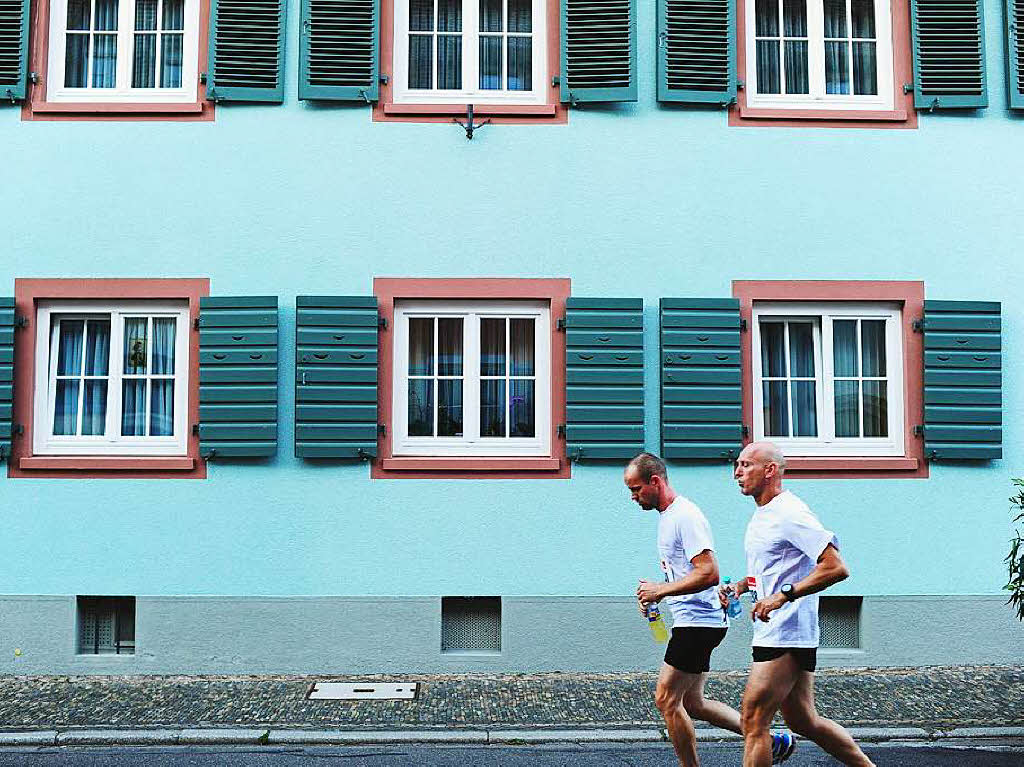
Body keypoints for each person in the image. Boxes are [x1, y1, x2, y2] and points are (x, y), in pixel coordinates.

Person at [625, 453, 795, 767]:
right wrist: (658, 593)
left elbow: (708, 573)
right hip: (695, 620)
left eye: (636, 489)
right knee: (693, 702)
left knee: (666, 698)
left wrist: (660, 591)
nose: (633, 497)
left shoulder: (684, 516)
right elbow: (686, 573)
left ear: (655, 482)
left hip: (699, 622)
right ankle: (770, 740)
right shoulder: (668, 517)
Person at [721, 442, 875, 767]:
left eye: (746, 465)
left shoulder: (790, 513)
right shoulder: (764, 513)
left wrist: (782, 596)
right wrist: (739, 588)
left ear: (770, 470)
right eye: (737, 465)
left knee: (753, 720)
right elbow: (772, 570)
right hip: (776, 631)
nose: (737, 472)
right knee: (804, 721)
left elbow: (835, 567)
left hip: (786, 633)